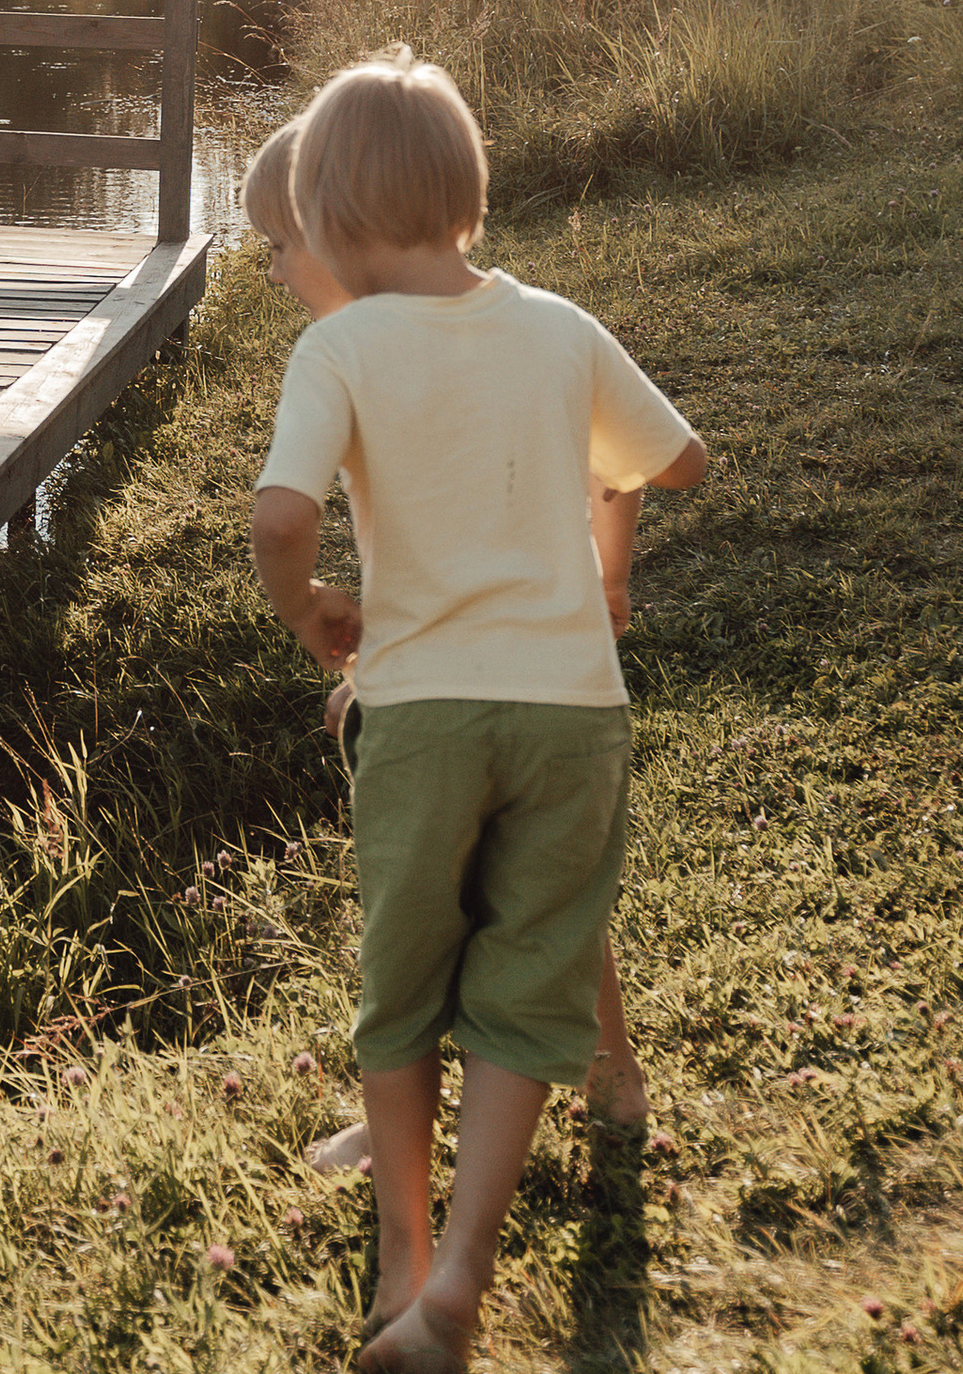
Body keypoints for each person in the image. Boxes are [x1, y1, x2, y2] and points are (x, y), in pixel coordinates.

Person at [245, 53, 708, 1374]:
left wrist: (311, 608)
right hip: (572, 710)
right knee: (527, 982)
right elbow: (676, 457)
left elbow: (281, 518)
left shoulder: (335, 344)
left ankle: (404, 1258)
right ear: (469, 190)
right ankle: (461, 1276)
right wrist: (605, 554)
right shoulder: (559, 325)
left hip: (427, 709)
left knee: (402, 984)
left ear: (326, 211)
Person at [238, 120, 652, 1158]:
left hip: (478, 672)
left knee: (434, 895)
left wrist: (330, 627)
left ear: (338, 234)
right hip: (520, 668)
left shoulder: (360, 349)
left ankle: (410, 1119)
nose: (277, 271)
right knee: (529, 868)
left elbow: (296, 522)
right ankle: (608, 1066)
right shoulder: (429, 339)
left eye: (279, 246)